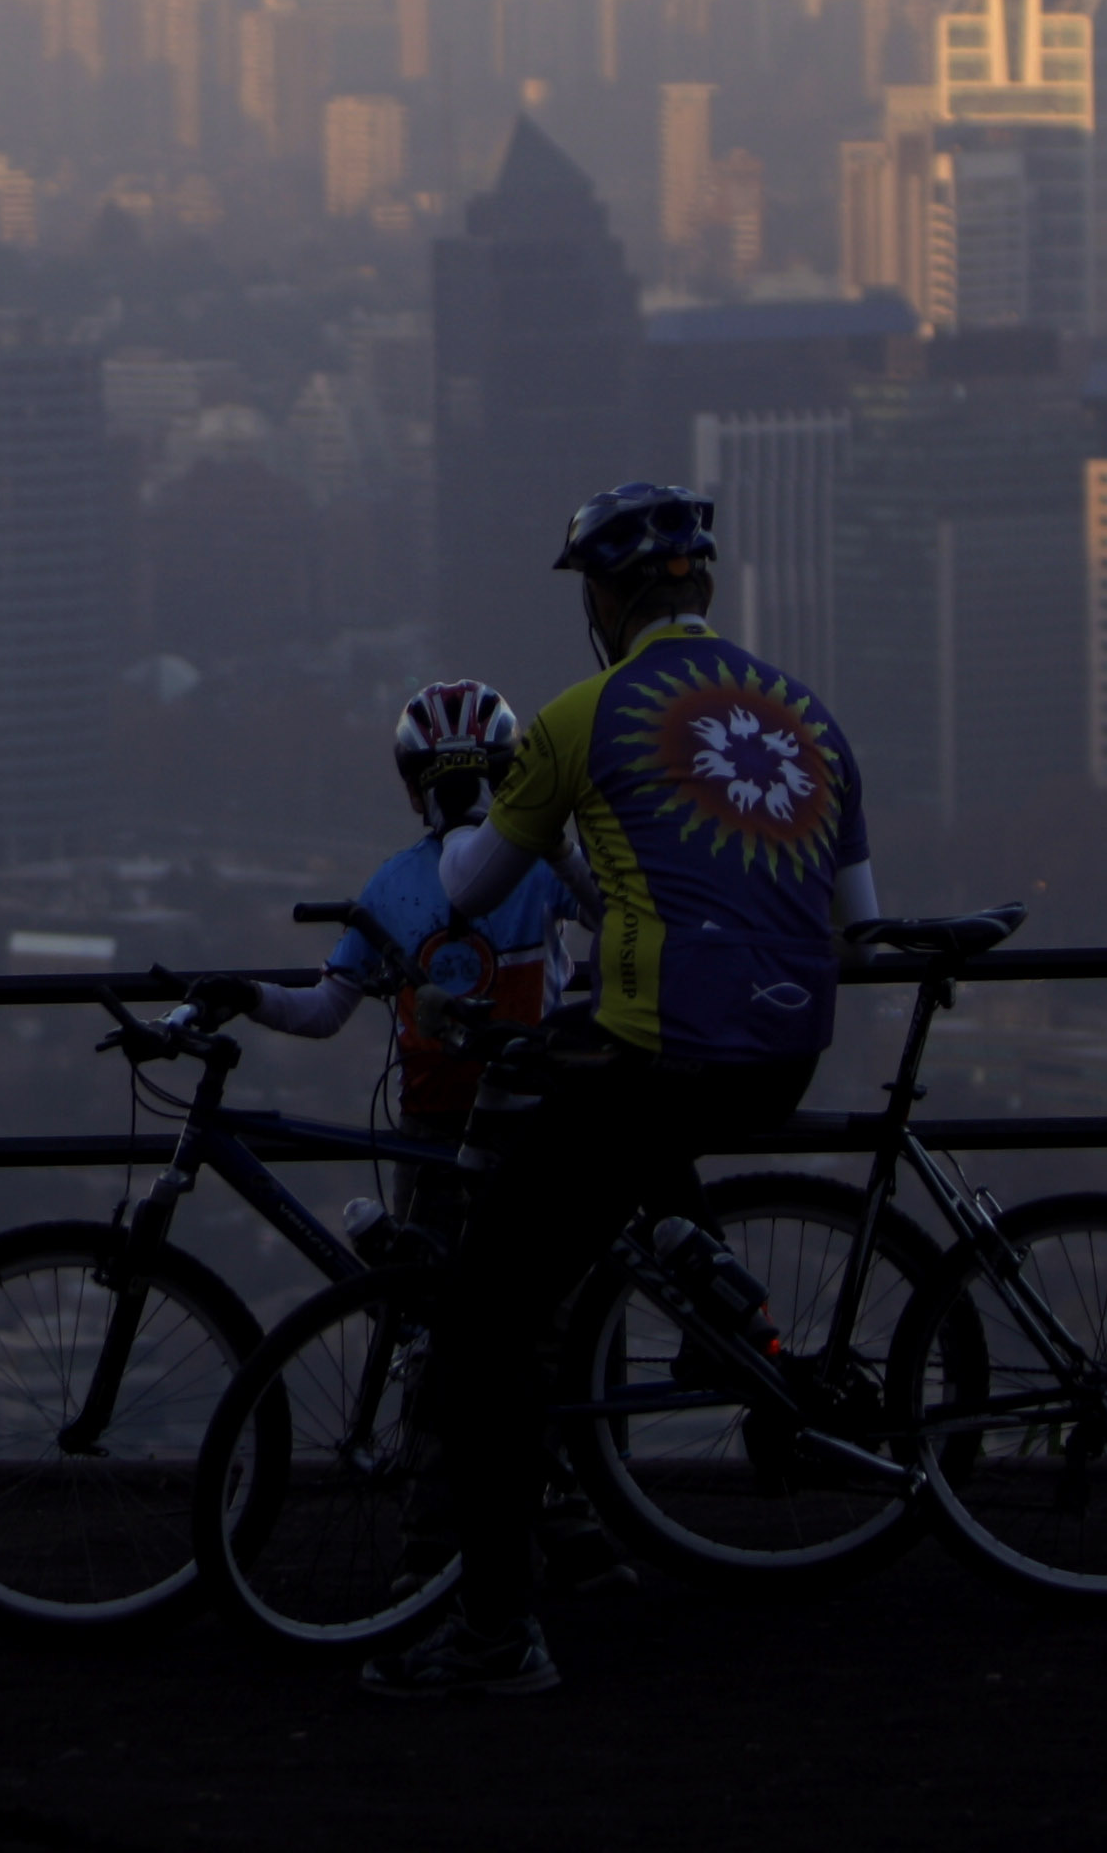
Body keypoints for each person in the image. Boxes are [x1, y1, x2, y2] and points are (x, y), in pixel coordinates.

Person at [362, 480, 875, 1703]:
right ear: (702, 586)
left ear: (608, 596)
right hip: (785, 1051)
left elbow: (476, 888)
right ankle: (713, 1297)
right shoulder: (809, 719)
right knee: (624, 1224)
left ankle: (496, 1633)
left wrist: (542, 830)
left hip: (656, 1061)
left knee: (483, 1335)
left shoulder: (579, 716)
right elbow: (860, 926)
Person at [191, 680, 576, 1160]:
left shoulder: (404, 882)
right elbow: (620, 911)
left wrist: (252, 997)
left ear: (416, 793)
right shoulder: (533, 864)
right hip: (468, 1122)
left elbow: (324, 1010)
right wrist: (249, 994)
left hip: (503, 1118)